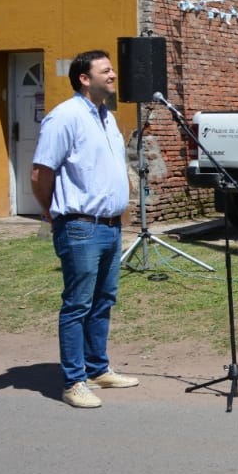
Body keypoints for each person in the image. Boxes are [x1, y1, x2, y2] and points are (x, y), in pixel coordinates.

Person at [31, 49, 137, 409]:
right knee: (77, 304)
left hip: (109, 228)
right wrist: (52, 215)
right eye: (106, 71)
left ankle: (97, 368)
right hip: (79, 227)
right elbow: (40, 173)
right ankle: (74, 381)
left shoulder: (106, 117)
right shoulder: (65, 117)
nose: (113, 76)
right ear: (84, 78)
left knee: (103, 301)